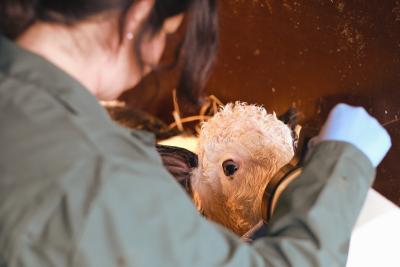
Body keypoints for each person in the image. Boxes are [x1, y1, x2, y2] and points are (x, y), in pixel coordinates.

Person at [0, 0, 391, 266]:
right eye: (167, 35)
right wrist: (344, 163)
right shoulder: (102, 175)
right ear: (138, 14)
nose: (155, 58)